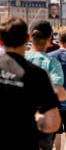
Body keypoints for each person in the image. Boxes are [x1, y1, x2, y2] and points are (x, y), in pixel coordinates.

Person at [0, 17, 61, 149]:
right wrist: (36, 118)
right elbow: (52, 124)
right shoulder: (38, 74)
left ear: (1, 40)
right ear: (27, 38)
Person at [25, 20, 66, 150]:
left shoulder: (18, 58)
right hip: (42, 120)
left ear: (30, 37)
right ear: (50, 39)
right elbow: (58, 92)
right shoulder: (51, 63)